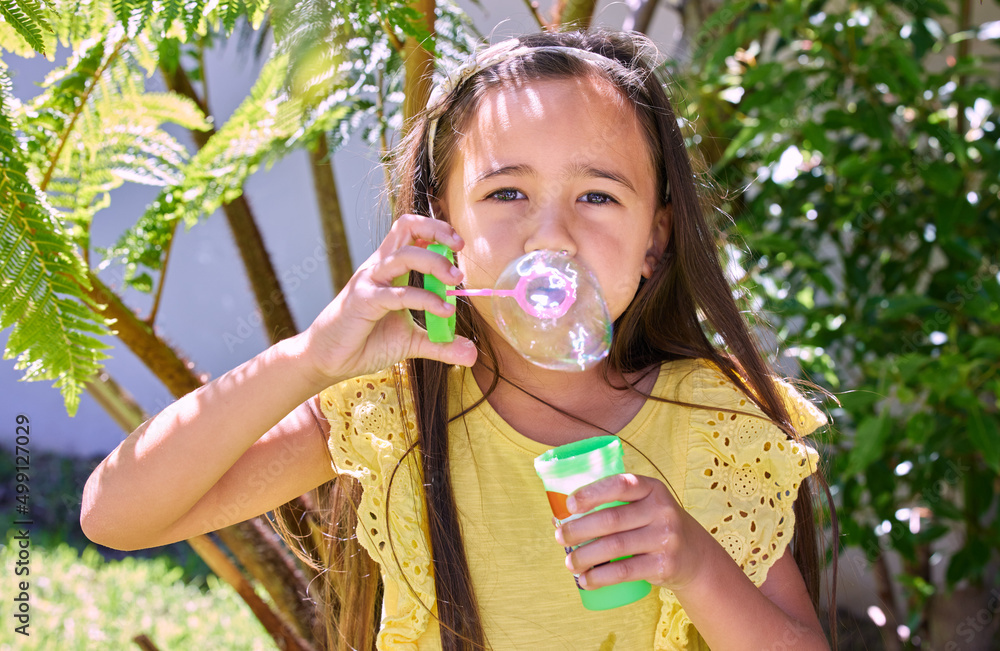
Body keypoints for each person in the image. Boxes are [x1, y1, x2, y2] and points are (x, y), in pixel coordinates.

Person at [81, 29, 833, 651]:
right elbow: (115, 513)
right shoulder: (393, 411)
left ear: (655, 241)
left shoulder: (715, 421)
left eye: (598, 195)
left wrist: (697, 562)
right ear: (443, 223)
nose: (552, 235)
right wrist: (310, 358)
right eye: (507, 192)